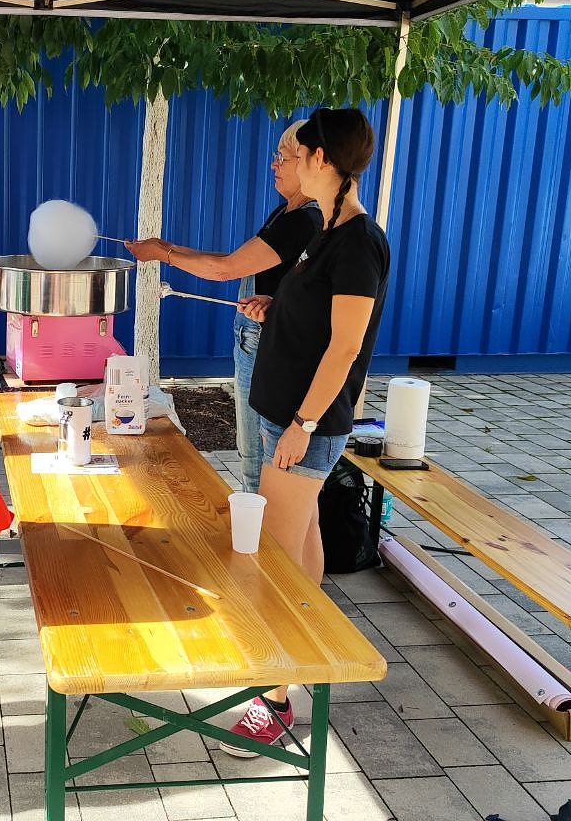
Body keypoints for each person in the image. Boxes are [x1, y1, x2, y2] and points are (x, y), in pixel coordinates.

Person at [218, 107, 389, 757]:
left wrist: (302, 425)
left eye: (297, 153)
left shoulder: (358, 241)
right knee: (301, 548)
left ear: (322, 160)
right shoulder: (326, 228)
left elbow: (345, 348)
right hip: (283, 413)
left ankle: (273, 703)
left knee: (273, 562)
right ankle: (304, 655)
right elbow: (319, 317)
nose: (288, 162)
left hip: (303, 425)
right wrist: (277, 305)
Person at [125, 120, 322, 493]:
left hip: (267, 347)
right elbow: (235, 261)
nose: (274, 164)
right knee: (252, 456)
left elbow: (225, 270)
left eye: (282, 157)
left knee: (257, 461)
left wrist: (163, 255)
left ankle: (260, 522)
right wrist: (168, 248)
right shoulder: (286, 214)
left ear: (310, 162)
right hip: (256, 341)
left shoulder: (303, 221)